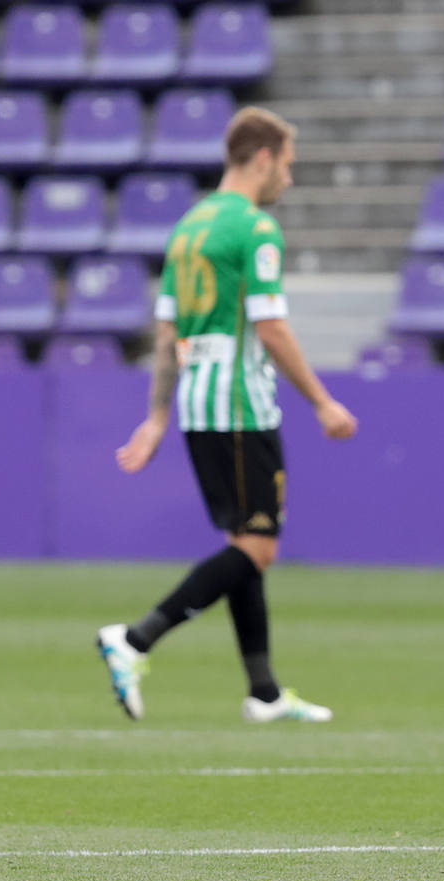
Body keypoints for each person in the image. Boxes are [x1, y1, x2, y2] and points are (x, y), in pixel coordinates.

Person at [99, 107, 357, 724]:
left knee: (244, 541)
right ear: (263, 157)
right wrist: (322, 401)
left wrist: (158, 416)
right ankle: (135, 639)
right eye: (288, 166)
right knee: (259, 545)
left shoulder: (188, 228)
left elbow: (166, 333)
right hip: (241, 403)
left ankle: (263, 692)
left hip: (197, 400)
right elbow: (270, 328)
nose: (288, 180)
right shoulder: (255, 228)